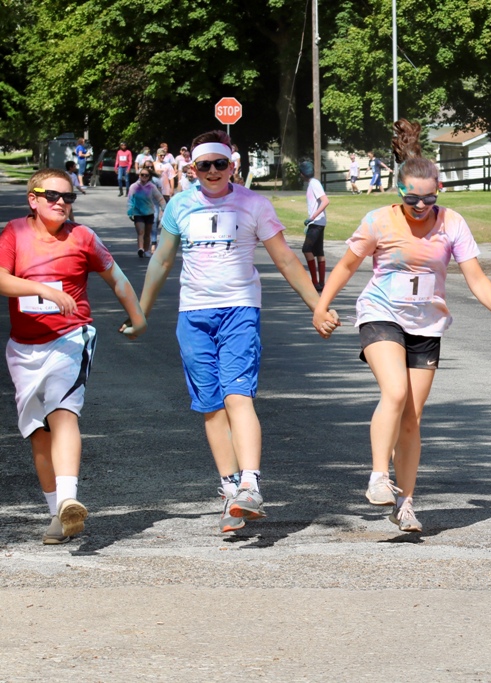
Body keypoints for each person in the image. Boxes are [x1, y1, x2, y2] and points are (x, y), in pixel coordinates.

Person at [313, 119, 491, 533]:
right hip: (381, 313)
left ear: (438, 191)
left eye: (428, 198)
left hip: (426, 324)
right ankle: (378, 476)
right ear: (400, 192)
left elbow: (476, 277)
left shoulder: (452, 223)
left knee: (411, 417)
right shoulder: (379, 221)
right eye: (412, 198)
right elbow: (348, 265)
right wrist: (321, 306)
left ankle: (405, 503)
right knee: (394, 391)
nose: (421, 205)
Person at [135, 130, 329, 534]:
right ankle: (229, 491)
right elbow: (162, 261)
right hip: (193, 314)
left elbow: (286, 260)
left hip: (239, 309)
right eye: (204, 165)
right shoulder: (179, 205)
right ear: (193, 168)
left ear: (231, 165)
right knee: (211, 405)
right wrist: (141, 311)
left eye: (219, 164)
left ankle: (250, 485)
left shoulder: (254, 204)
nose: (212, 171)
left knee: (237, 395)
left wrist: (318, 305)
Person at [0, 169, 146, 544]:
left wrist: (138, 317)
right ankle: (58, 515)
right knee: (38, 433)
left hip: (70, 338)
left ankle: (69, 499)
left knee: (63, 413)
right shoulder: (14, 232)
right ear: (33, 199)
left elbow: (117, 278)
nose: (61, 202)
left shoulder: (83, 237)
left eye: (68, 197)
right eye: (52, 195)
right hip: (24, 348)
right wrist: (43, 290)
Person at [298, 161, 329, 291]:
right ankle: (321, 283)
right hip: (319, 222)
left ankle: (315, 282)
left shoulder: (314, 184)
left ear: (302, 174)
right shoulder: (313, 183)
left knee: (306, 249)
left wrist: (312, 217)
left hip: (316, 222)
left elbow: (325, 201)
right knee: (319, 252)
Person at [126, 167, 166, 257]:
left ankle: (146, 250)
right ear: (139, 176)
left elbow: (160, 199)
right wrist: (130, 212)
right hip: (138, 213)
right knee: (141, 232)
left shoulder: (151, 187)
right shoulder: (134, 186)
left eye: (146, 175)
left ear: (149, 177)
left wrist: (164, 209)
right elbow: (130, 200)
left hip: (149, 213)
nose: (144, 176)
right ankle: (140, 249)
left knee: (147, 234)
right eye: (142, 175)